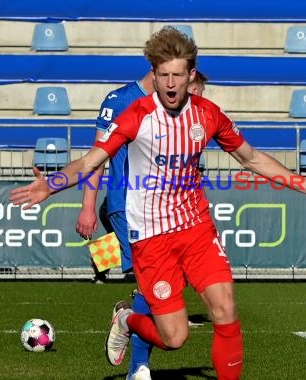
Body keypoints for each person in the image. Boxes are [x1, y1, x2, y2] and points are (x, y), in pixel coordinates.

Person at [10, 26, 306, 380]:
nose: (171, 83)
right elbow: (91, 160)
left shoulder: (207, 114)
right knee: (174, 338)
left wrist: (304, 184)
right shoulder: (136, 115)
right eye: (164, 75)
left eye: (178, 75)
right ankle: (126, 318)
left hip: (195, 229)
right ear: (154, 76)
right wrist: (49, 186)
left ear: (191, 76)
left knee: (225, 308)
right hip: (152, 238)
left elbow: (251, 158)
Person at [75, 69, 208, 379]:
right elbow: (97, 156)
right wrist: (87, 207)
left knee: (164, 281)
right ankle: (138, 364)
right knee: (154, 284)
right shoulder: (121, 100)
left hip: (163, 213)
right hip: (128, 205)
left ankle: (116, 289)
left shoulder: (175, 112)